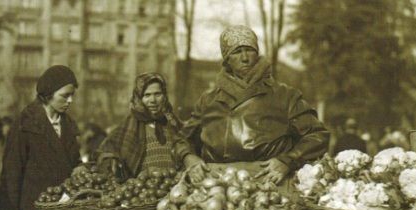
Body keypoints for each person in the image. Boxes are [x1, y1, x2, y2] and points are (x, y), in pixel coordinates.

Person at [182, 25, 329, 185]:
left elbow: (317, 136)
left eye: (249, 50)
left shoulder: (284, 95)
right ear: (227, 60)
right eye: (237, 52)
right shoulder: (208, 100)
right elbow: (182, 139)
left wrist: (287, 160)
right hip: (216, 183)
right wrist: (189, 157)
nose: (245, 57)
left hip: (269, 183)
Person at [0, 65, 81, 210]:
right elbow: (11, 176)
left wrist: (79, 167)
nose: (70, 101)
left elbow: (73, 161)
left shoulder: (69, 125)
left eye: (72, 95)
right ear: (48, 94)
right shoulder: (25, 124)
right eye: (65, 96)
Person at [97, 72, 196, 179]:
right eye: (147, 95)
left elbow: (187, 147)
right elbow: (107, 149)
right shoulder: (130, 125)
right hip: (144, 189)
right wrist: (111, 160)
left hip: (174, 185)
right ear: (139, 98)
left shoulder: (172, 122)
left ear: (165, 96)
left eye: (157, 94)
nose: (153, 100)